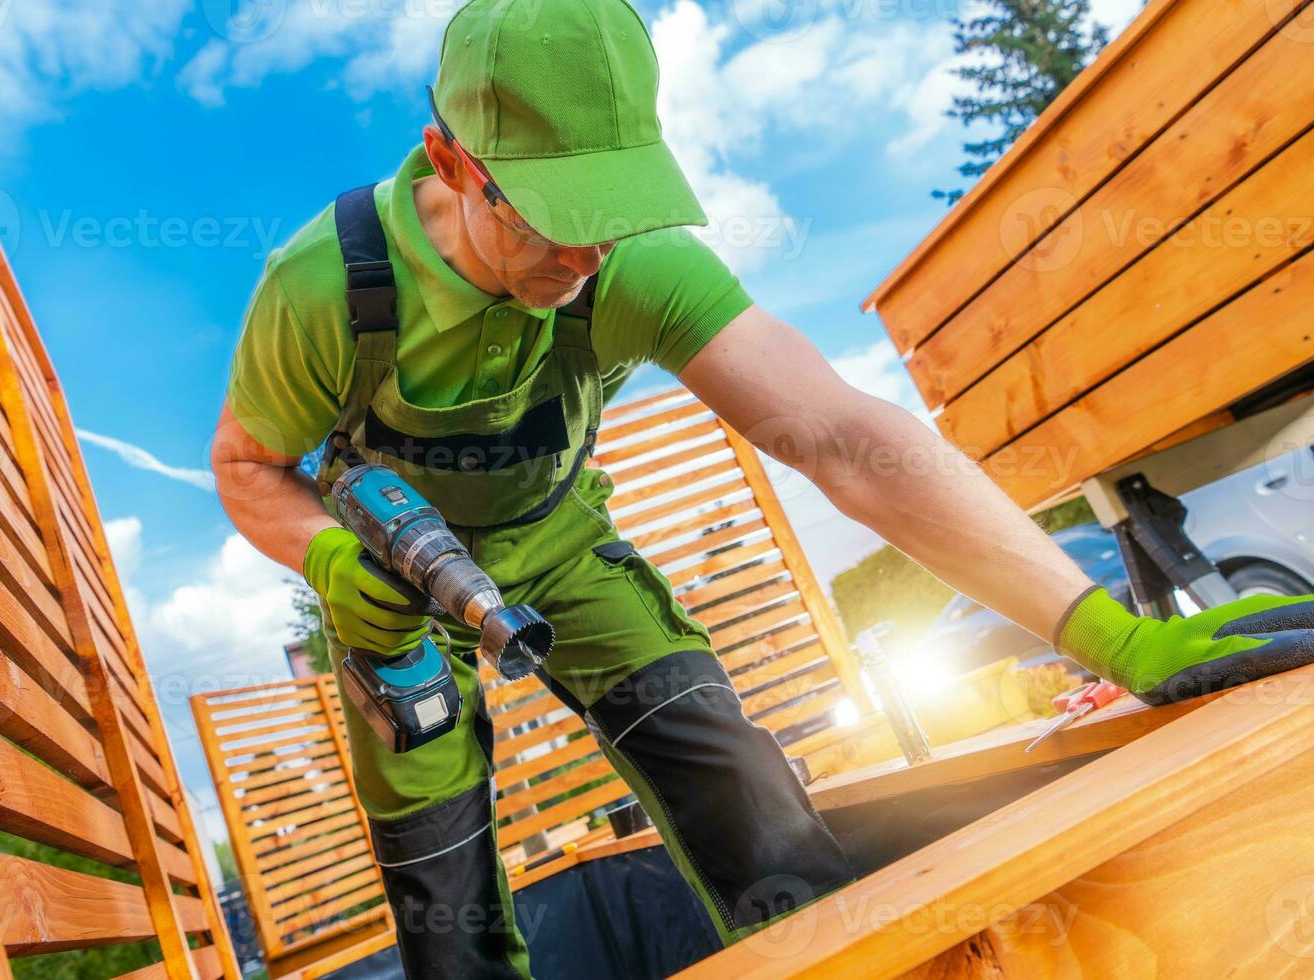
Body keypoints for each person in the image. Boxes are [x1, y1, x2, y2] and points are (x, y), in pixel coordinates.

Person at [210, 1, 1314, 975]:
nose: (586, 260)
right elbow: (247, 467)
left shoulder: (631, 266)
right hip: (395, 605)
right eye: (550, 218)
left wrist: (1108, 634)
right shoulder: (324, 288)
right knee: (446, 910)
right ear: (451, 164)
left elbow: (843, 438)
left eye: (609, 212)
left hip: (559, 549)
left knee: (737, 781)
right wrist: (328, 557)